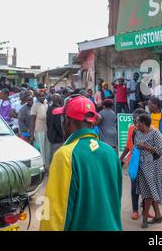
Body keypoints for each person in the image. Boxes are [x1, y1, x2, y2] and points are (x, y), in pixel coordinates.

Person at [40, 95, 122, 231]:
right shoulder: (110, 152)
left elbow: (55, 215)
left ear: (66, 121)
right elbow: (115, 200)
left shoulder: (65, 155)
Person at [134, 113, 162, 229]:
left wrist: (144, 147)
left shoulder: (156, 133)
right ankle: (158, 216)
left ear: (143, 123)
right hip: (142, 165)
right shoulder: (138, 132)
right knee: (149, 192)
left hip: (154, 165)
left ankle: (145, 219)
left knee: (149, 193)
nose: (136, 124)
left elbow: (159, 150)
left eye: (138, 122)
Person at [30, 89, 51, 171]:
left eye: (43, 95)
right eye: (39, 96)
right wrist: (32, 135)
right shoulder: (35, 106)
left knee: (47, 150)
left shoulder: (47, 103)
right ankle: (41, 168)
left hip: (47, 130)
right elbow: (32, 121)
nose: (42, 97)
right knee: (41, 150)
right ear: (36, 97)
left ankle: (47, 167)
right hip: (39, 131)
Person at [46, 93, 64, 163]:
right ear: (58, 99)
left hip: (51, 134)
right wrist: (62, 134)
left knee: (51, 153)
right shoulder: (57, 110)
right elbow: (58, 125)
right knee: (56, 155)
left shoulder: (49, 108)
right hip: (57, 136)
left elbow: (47, 122)